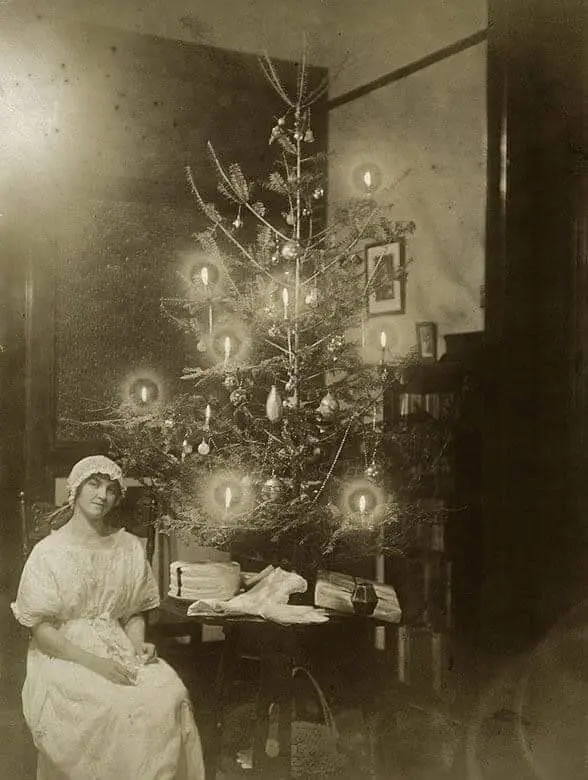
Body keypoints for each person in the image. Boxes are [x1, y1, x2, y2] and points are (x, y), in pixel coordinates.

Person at [11, 455, 206, 780]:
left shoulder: (128, 547)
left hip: (117, 645)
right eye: (94, 484)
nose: (102, 495)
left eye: (111, 489)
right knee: (111, 706)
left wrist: (137, 644)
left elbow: (131, 613)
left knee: (169, 693)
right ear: (75, 488)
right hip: (64, 653)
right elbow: (41, 631)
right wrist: (96, 664)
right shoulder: (48, 552)